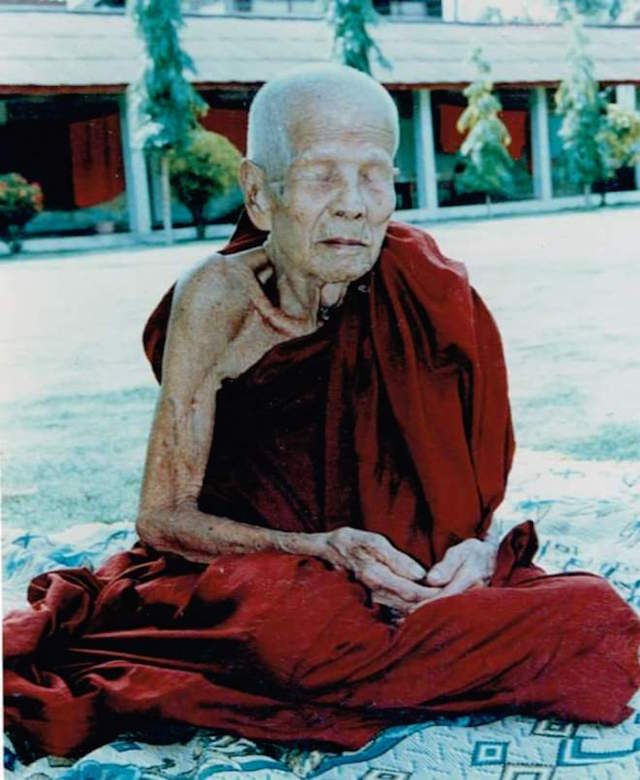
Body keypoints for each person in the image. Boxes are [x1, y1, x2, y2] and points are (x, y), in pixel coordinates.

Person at [4, 64, 639, 760]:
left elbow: (458, 482)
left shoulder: (426, 288)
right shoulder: (217, 300)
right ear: (259, 194)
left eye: (374, 176)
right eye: (321, 175)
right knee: (294, 633)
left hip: (402, 578)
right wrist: (323, 548)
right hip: (261, 569)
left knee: (596, 618)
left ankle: (378, 665)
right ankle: (390, 664)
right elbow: (161, 519)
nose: (355, 204)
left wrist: (476, 553)